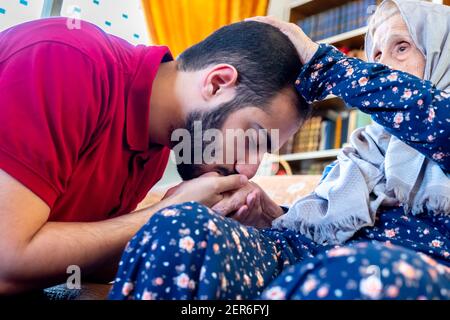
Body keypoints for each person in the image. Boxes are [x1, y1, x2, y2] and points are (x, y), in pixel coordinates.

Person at [109, 0, 450, 300]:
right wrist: (269, 214)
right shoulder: (361, 153)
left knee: (370, 272)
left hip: (382, 276)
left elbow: (434, 119)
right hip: (311, 265)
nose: (381, 65)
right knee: (182, 226)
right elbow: (316, 233)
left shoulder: (440, 123)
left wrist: (322, 62)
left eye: (401, 47)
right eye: (375, 53)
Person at [0, 18, 310, 294]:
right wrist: (164, 213)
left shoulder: (159, 145)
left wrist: (211, 226)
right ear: (217, 83)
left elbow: (86, 266)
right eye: (253, 138)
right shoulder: (65, 59)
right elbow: (6, 260)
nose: (248, 168)